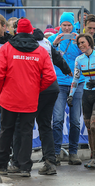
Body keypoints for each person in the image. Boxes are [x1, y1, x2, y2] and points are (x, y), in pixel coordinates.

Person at [8, 28, 73, 176]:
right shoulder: (47, 43)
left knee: (22, 125)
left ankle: (19, 163)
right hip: (52, 87)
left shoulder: (25, 46)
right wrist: (66, 69)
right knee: (45, 125)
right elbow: (57, 58)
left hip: (38, 87)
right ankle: (50, 162)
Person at [0, 18, 57, 177]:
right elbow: (50, 76)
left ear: (16, 31)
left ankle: (2, 165)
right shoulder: (40, 51)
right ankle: (25, 167)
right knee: (26, 133)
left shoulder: (6, 48)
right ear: (31, 31)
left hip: (9, 98)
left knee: (6, 131)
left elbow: (0, 73)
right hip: (30, 99)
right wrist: (36, 89)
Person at [67, 33, 95, 168]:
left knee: (94, 125)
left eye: (83, 42)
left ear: (89, 43)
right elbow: (75, 79)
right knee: (88, 128)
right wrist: (71, 95)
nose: (81, 45)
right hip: (86, 95)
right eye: (79, 43)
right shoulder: (78, 59)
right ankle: (93, 157)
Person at [48, 12, 84, 166]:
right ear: (60, 25)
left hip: (77, 83)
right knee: (57, 120)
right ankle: (56, 152)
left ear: (73, 25)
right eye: (64, 25)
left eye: (69, 25)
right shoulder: (51, 39)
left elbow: (89, 54)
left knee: (75, 121)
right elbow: (46, 55)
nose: (67, 28)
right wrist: (54, 43)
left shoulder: (79, 39)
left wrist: (79, 44)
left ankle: (73, 153)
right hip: (59, 83)